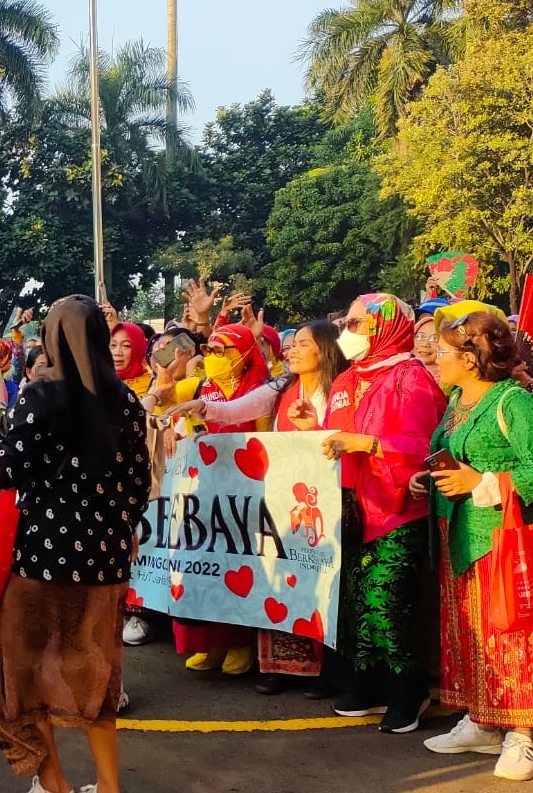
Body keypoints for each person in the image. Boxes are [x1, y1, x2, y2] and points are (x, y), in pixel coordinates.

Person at [0, 297, 150, 793]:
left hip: (43, 562)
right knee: (96, 672)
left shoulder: (41, 397)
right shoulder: (125, 401)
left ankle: (52, 786)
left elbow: (5, 470)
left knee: (21, 673)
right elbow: (139, 484)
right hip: (107, 562)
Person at [419, 312, 533, 781]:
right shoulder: (458, 398)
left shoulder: (515, 402)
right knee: (470, 631)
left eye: (442, 353)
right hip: (458, 531)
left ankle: (523, 734)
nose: (434, 359)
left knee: (512, 632)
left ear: (470, 357)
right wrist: (431, 477)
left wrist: (481, 482)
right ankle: (482, 722)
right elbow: (454, 456)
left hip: (506, 535)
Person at [171, 321, 350, 695]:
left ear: (327, 349)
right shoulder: (280, 387)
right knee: (282, 578)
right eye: (292, 344)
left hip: (330, 501)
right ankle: (281, 668)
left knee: (324, 584)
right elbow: (237, 410)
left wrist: (316, 427)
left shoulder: (344, 389)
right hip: (285, 499)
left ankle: (327, 670)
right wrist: (203, 406)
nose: (292, 349)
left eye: (303, 343)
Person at [297, 295, 448, 729]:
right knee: (354, 603)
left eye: (359, 324)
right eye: (347, 322)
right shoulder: (347, 380)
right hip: (351, 511)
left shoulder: (410, 378)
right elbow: (338, 438)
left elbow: (428, 448)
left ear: (386, 327)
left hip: (399, 509)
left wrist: (369, 445)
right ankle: (367, 684)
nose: (349, 332)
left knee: (389, 602)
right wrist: (314, 427)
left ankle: (409, 691)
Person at [160, 324, 272, 676]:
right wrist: (166, 424)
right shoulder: (197, 386)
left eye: (222, 352)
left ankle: (239, 642)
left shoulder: (261, 391)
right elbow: (161, 398)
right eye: (209, 350)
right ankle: (207, 643)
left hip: (245, 494)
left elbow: (270, 440)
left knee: (237, 567)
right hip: (201, 492)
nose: (213, 359)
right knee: (203, 568)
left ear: (244, 355)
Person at [110, 321, 153, 398]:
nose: (117, 352)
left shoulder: (152, 387)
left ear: (138, 350)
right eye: (113, 345)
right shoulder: (98, 380)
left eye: (126, 345)